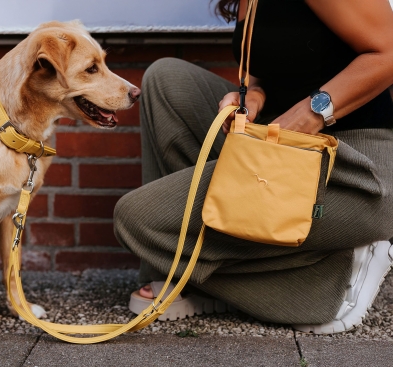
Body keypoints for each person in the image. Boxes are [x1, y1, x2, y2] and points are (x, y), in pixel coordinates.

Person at [113, 0, 393, 333]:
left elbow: (387, 51)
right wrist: (255, 96)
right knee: (166, 80)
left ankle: (333, 278)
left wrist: (312, 113)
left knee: (136, 221)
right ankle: (185, 280)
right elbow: (282, 59)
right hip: (285, 147)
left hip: (353, 168)